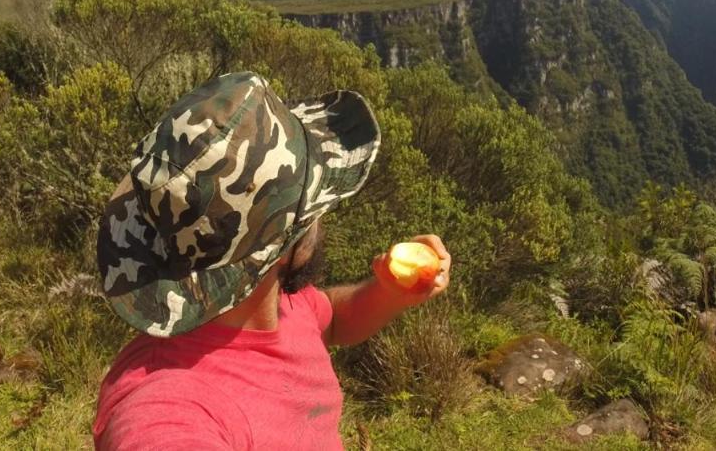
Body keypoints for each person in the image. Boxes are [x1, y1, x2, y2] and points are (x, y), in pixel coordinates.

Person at [93, 71, 450, 450]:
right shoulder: (167, 406)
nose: (322, 219)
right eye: (312, 208)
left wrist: (389, 292)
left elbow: (330, 319)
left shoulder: (277, 303)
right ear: (282, 248)